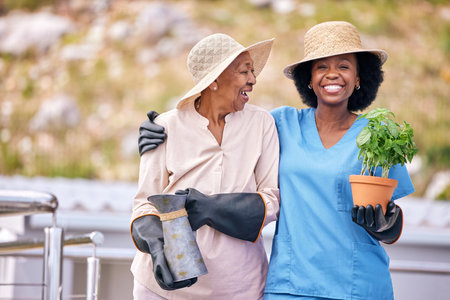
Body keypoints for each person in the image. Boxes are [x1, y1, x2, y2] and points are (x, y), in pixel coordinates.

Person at [139, 21, 415, 300]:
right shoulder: (281, 123)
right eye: (321, 67)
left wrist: (388, 225)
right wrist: (161, 129)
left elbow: (393, 224)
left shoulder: (378, 136)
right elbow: (222, 116)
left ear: (359, 77)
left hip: (359, 284)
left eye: (344, 66)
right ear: (308, 78)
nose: (333, 75)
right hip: (291, 285)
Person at [131, 33, 280, 300]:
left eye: (252, 71)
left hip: (240, 288)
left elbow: (271, 199)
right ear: (214, 81)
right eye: (244, 71)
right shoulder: (165, 127)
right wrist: (156, 248)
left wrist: (210, 207)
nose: (253, 79)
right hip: (163, 290)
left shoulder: (262, 124)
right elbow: (144, 204)